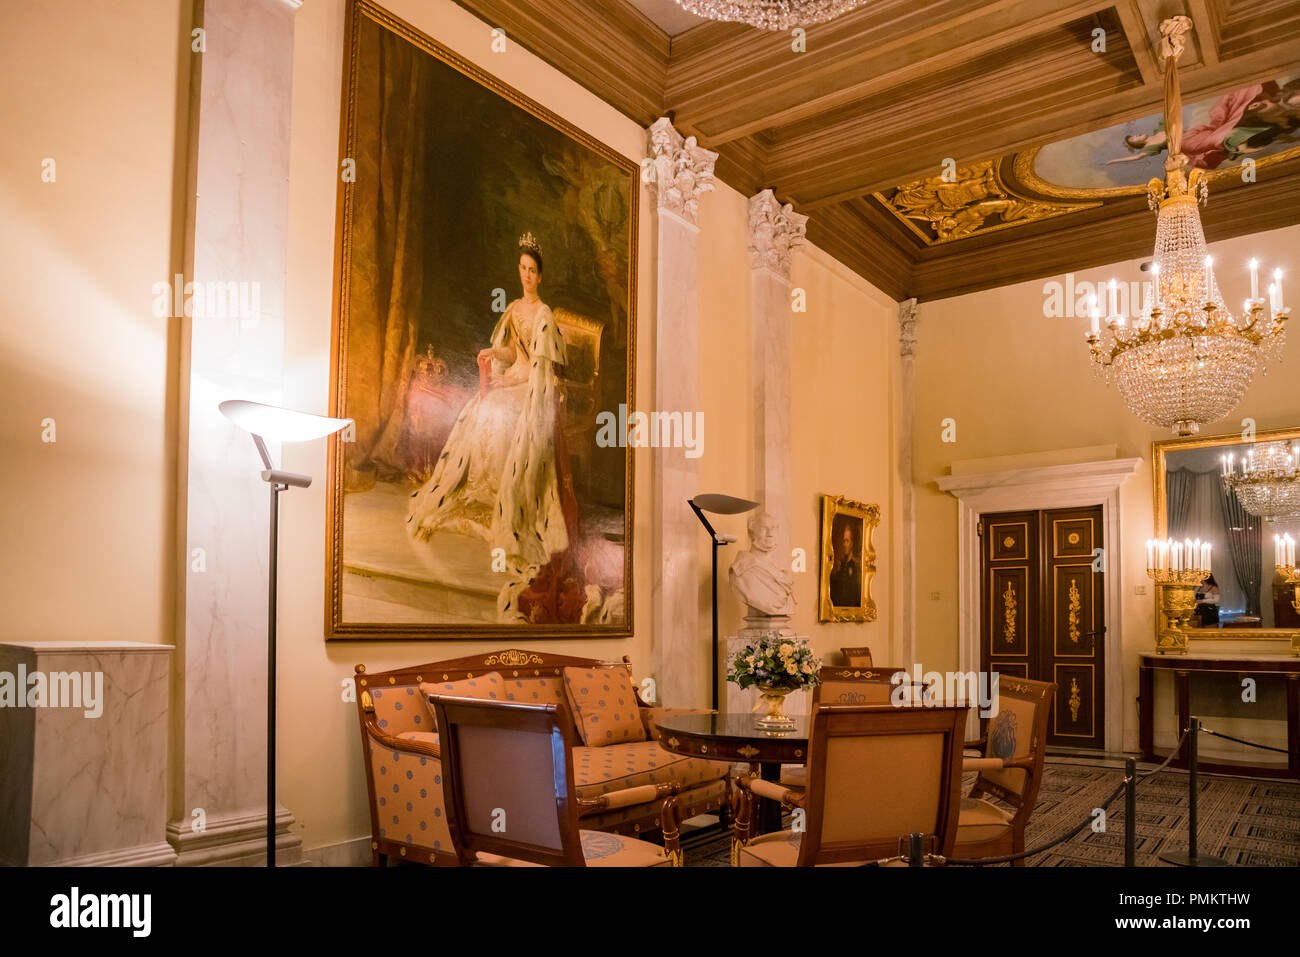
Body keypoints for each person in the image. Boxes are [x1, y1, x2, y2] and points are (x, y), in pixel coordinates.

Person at [406, 233, 575, 620]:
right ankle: (476, 489)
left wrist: (512, 380)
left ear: (541, 276)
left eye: (533, 271)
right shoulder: (514, 308)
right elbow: (512, 352)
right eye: (522, 269)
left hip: (531, 385)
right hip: (513, 375)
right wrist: (492, 353)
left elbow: (537, 366)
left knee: (506, 415)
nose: (527, 275)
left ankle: (506, 499)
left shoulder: (545, 315)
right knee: (481, 409)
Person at [728, 512, 795, 617]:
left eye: (774, 528)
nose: (770, 534)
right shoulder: (742, 570)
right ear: (751, 533)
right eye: (764, 528)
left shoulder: (780, 571)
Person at [829, 521, 861, 607]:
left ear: (852, 543)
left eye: (847, 541)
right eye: (843, 541)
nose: (844, 544)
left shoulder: (856, 567)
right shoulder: (839, 566)